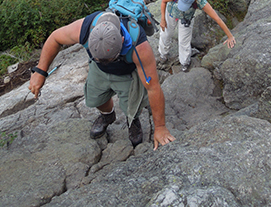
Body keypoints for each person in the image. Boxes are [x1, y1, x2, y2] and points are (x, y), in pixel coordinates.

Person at [29, 11, 175, 150]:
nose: (107, 61)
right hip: (98, 70)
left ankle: (133, 120)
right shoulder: (84, 28)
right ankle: (107, 115)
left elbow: (153, 87)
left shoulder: (139, 47)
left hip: (127, 73)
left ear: (122, 40)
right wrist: (40, 71)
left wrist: (160, 127)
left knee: (131, 106)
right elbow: (55, 37)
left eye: (110, 58)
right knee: (95, 99)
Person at [158, 0, 236, 72]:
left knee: (184, 41)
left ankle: (184, 62)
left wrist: (230, 36)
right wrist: (162, 19)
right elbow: (163, 1)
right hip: (171, 13)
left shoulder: (200, 1)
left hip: (187, 18)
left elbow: (217, 18)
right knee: (165, 34)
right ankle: (163, 55)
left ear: (194, 1)